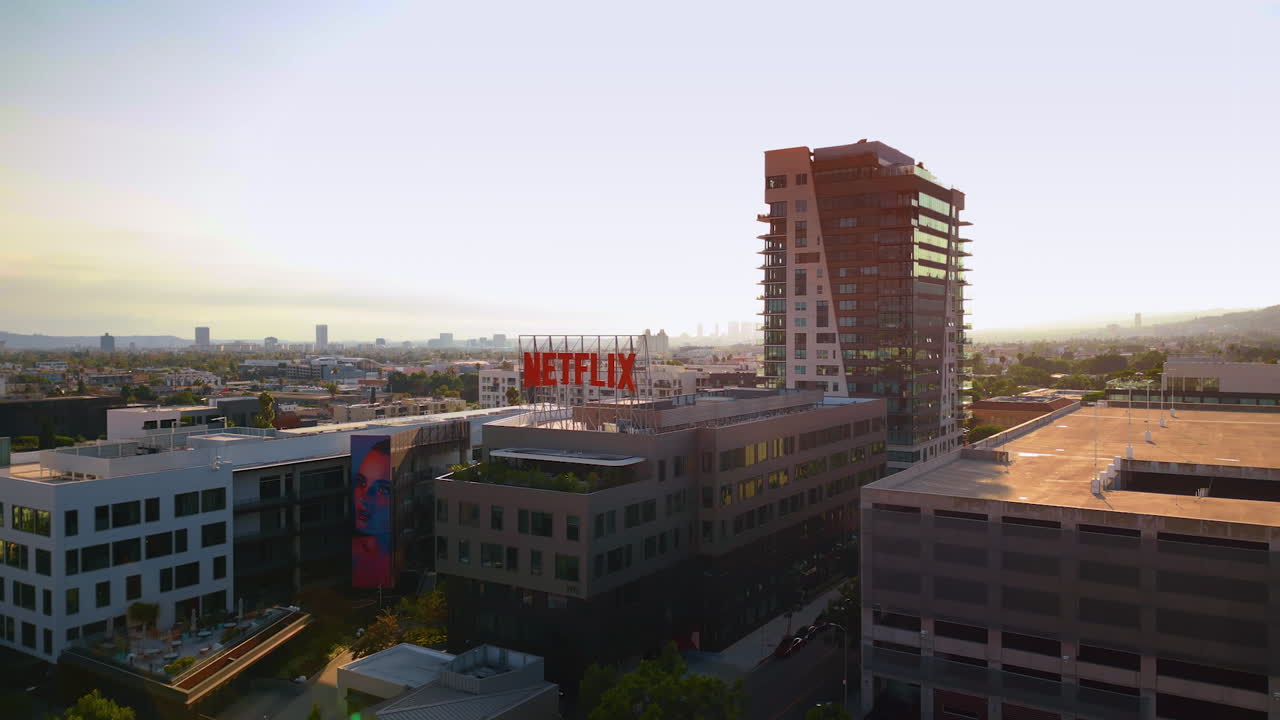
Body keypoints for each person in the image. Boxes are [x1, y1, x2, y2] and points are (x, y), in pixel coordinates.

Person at [352, 441, 393, 587]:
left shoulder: (394, 559)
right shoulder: (357, 557)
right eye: (361, 483)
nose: (364, 498)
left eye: (382, 489)